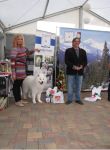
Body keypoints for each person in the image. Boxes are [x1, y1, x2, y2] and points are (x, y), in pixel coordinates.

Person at [10, 34, 37, 107]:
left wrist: (34, 50)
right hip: (17, 70)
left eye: (21, 39)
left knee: (20, 84)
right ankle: (17, 101)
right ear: (16, 40)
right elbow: (12, 62)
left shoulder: (24, 48)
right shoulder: (14, 49)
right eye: (18, 39)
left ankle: (19, 99)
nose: (20, 40)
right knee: (16, 85)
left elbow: (28, 53)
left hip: (23, 69)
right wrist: (13, 73)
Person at [65, 37, 87, 105]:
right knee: (70, 86)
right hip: (71, 71)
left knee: (78, 86)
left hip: (80, 72)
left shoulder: (83, 51)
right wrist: (73, 66)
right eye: (75, 41)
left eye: (78, 41)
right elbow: (66, 61)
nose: (77, 42)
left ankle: (78, 99)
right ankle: (69, 99)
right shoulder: (68, 50)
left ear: (79, 43)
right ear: (72, 42)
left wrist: (81, 66)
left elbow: (85, 61)